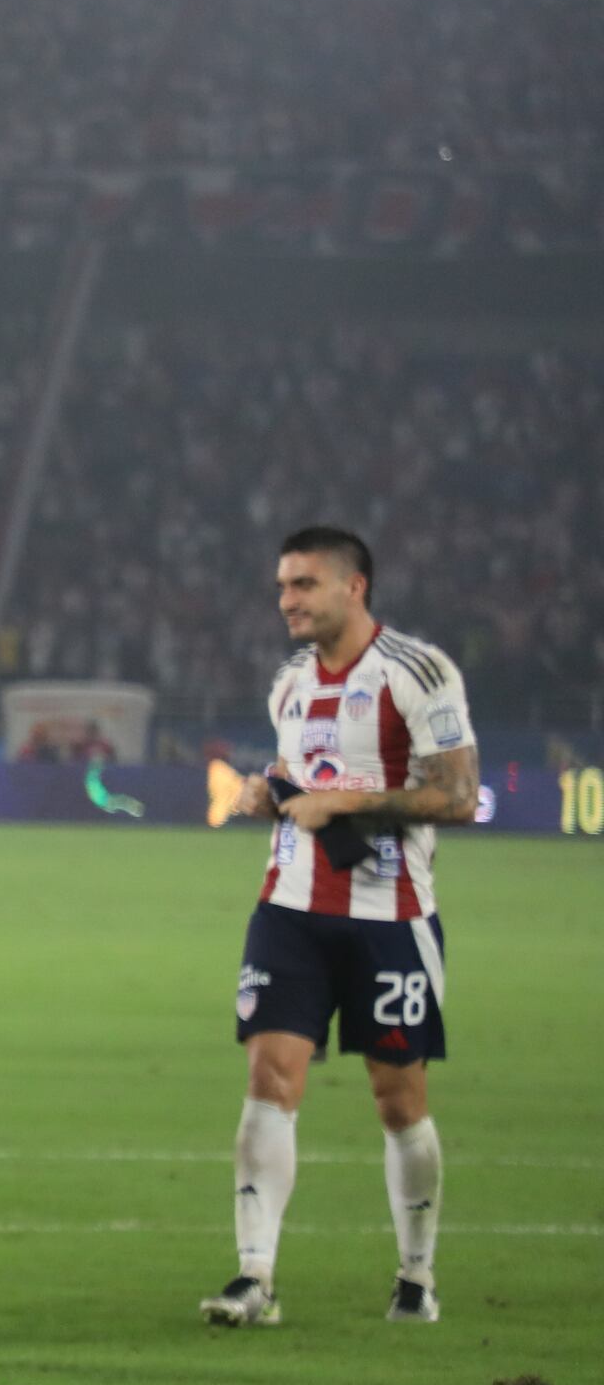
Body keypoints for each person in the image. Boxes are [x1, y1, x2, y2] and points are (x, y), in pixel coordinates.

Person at [211, 527, 475, 1328]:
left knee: (398, 1101)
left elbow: (459, 798)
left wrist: (348, 802)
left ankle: (416, 1279)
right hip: (288, 910)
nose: (286, 601)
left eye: (303, 585)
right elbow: (303, 780)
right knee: (270, 1078)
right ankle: (254, 1278)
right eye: (282, 587)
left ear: (353, 587)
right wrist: (270, 792)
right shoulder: (289, 682)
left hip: (389, 919)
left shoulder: (417, 673)